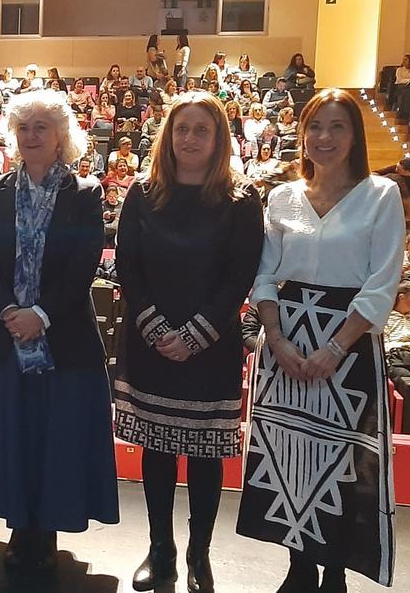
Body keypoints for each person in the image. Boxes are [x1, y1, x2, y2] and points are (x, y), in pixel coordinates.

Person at [238, 89, 405, 592]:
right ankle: (298, 564)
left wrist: (336, 347)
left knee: (342, 461)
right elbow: (264, 276)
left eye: (337, 127)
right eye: (315, 126)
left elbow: (382, 282)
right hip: (285, 336)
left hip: (346, 341)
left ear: (355, 136)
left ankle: (334, 568)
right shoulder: (281, 196)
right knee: (287, 450)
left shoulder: (381, 194)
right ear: (302, 133)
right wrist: (276, 339)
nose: (324, 137)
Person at [0, 89, 119, 570]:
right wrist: (11, 310)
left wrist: (40, 315)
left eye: (41, 128)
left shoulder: (86, 193)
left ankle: (45, 530)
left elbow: (82, 263)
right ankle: (18, 527)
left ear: (61, 135)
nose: (31, 136)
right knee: (12, 434)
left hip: (63, 336)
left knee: (55, 438)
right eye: (24, 127)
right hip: (3, 336)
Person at [113, 90, 264, 592]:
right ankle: (161, 552)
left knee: (204, 455)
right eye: (182, 128)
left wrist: (196, 334)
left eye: (202, 129)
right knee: (156, 452)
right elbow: (128, 267)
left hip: (211, 345)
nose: (190, 138)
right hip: (151, 342)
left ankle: (200, 555)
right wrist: (156, 328)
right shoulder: (141, 191)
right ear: (167, 135)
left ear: (219, 137)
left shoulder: (242, 199)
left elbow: (240, 275)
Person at [374, 157, 410, 228]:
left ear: (408, 171)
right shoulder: (395, 169)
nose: (396, 170)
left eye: (398, 169)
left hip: (408, 201)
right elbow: (376, 173)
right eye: (396, 167)